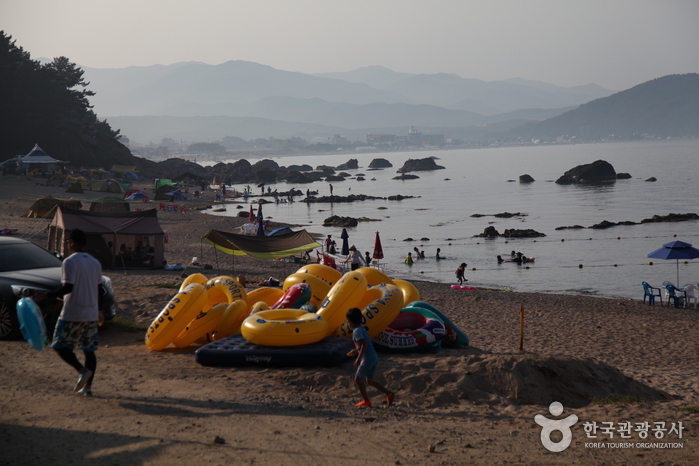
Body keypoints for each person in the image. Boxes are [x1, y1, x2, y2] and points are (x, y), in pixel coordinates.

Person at [44, 229, 104, 396]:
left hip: (73, 313)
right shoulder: (95, 262)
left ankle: (81, 371)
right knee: (89, 350)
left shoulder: (69, 262)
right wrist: (100, 310)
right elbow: (100, 290)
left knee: (59, 345)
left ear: (72, 242)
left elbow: (68, 287)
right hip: (91, 313)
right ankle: (88, 387)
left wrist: (46, 295)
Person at [345, 307, 394, 408]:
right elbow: (363, 345)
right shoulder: (362, 329)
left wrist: (358, 358)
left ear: (349, 322)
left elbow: (364, 344)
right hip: (373, 357)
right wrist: (356, 351)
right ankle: (389, 393)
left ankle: (366, 401)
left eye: (347, 321)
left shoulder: (356, 331)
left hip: (367, 358)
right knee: (369, 381)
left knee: (358, 379)